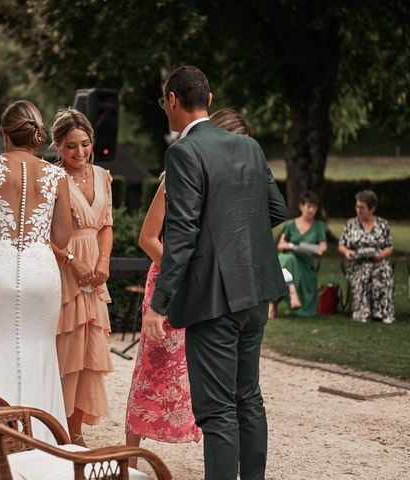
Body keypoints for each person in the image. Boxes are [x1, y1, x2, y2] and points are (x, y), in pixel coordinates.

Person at [143, 66, 288, 480]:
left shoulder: (183, 152)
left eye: (163, 103)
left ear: (173, 100)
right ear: (208, 98)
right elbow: (275, 210)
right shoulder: (250, 148)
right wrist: (235, 238)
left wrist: (159, 304)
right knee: (249, 399)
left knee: (218, 409)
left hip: (213, 299)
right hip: (257, 290)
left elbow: (183, 231)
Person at [0, 100, 73, 443]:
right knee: (39, 350)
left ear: (4, 133)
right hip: (41, 269)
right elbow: (62, 237)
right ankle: (42, 438)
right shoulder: (56, 174)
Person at [50, 108, 114, 447]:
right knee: (66, 350)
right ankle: (56, 426)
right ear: (58, 146)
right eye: (71, 146)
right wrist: (71, 260)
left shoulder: (104, 176)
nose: (79, 153)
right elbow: (42, 232)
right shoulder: (51, 178)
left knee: (90, 352)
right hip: (64, 271)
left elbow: (106, 225)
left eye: (85, 144)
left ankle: (75, 431)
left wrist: (103, 263)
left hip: (95, 274)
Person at [338, 190, 394, 324]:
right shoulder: (351, 224)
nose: (358, 210)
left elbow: (389, 246)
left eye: (362, 207)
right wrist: (347, 252)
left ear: (372, 208)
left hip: (379, 261)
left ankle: (382, 313)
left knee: (383, 272)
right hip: (357, 263)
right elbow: (341, 245)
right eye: (357, 206)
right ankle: (362, 313)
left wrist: (380, 255)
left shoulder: (383, 224)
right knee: (364, 272)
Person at [273, 191, 328, 318]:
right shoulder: (291, 224)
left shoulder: (319, 226)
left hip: (306, 265)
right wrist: (290, 246)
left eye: (314, 207)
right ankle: (292, 292)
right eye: (309, 206)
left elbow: (323, 246)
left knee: (282, 263)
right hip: (291, 261)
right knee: (288, 258)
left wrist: (319, 250)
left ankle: (273, 303)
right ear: (301, 206)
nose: (311, 210)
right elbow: (281, 245)